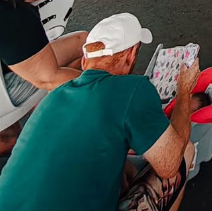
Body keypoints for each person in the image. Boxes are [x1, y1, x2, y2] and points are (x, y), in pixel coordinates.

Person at [0, 13, 199, 211]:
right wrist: (184, 92)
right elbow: (169, 164)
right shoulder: (133, 89)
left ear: (85, 60)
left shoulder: (54, 95)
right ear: (131, 55)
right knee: (185, 151)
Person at [0, 0, 87, 105]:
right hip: (4, 92)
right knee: (55, 77)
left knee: (84, 42)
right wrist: (106, 87)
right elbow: (48, 79)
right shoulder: (16, 17)